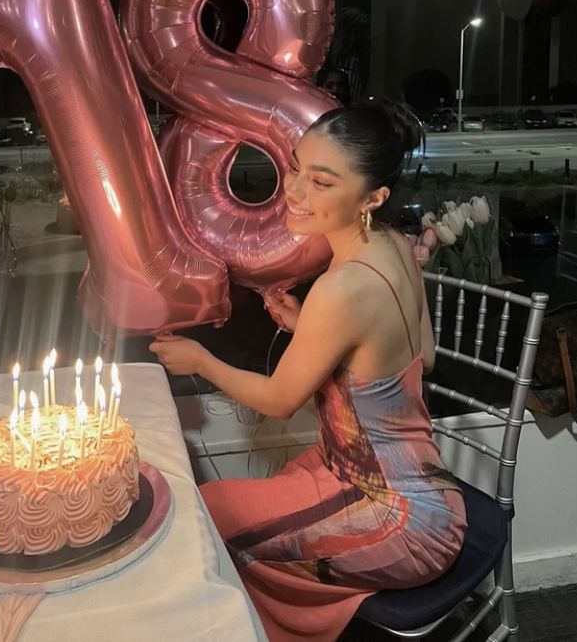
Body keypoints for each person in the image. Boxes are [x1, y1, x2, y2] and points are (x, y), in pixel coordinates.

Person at [150, 99, 466, 642]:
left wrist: (200, 359)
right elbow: (421, 356)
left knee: (202, 515)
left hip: (397, 519)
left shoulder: (341, 287)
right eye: (295, 166)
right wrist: (312, 332)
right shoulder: (396, 245)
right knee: (233, 505)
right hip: (432, 493)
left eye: (321, 182)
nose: (293, 190)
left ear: (373, 198)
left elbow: (277, 400)